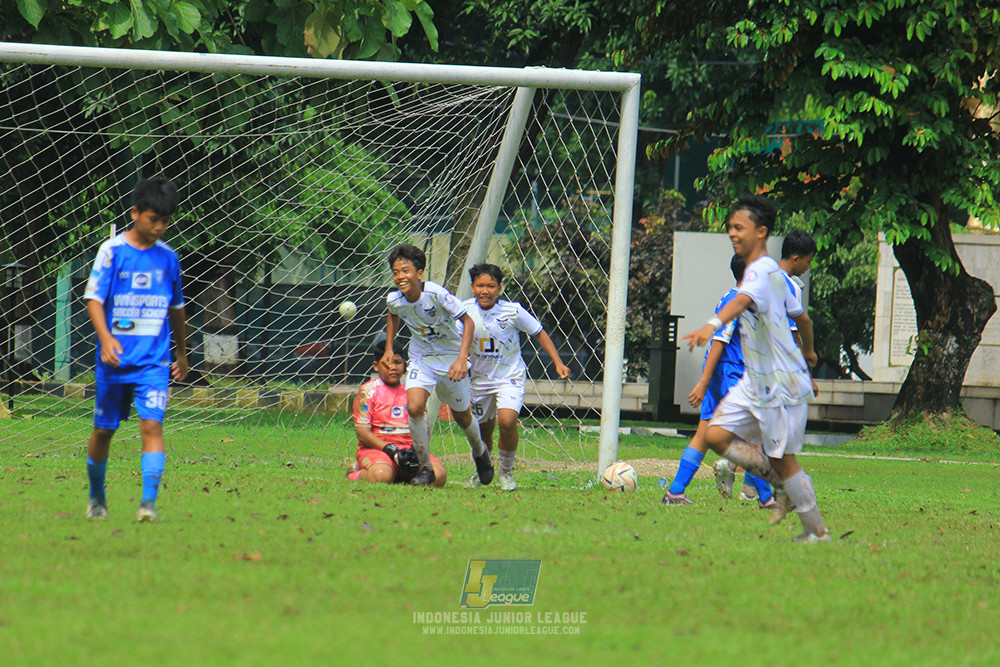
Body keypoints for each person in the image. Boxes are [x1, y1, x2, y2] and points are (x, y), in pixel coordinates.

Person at [681, 195, 831, 543]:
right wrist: (809, 350)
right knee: (716, 435)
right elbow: (802, 318)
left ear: (761, 232)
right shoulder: (772, 275)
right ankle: (783, 489)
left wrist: (711, 325)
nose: (732, 233)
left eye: (739, 227)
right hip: (755, 379)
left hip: (779, 379)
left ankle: (816, 530)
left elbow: (743, 301)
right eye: (731, 227)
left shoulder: (763, 273)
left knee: (782, 459)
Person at [82, 178, 188, 522]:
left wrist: (182, 353)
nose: (159, 227)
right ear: (135, 213)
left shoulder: (169, 259)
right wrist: (107, 339)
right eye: (153, 219)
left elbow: (176, 308)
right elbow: (94, 299)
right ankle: (97, 496)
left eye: (165, 221)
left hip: (153, 363)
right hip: (114, 362)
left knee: (152, 427)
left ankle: (147, 504)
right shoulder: (112, 252)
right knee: (103, 429)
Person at [662, 254, 774, 508]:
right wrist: (703, 383)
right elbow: (719, 342)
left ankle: (675, 492)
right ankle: (767, 499)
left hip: (723, 375)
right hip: (728, 376)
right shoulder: (736, 302)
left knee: (703, 434)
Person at [382, 244, 493, 487]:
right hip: (422, 358)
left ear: (419, 273)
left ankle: (480, 452)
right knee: (414, 407)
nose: (400, 276)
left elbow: (468, 322)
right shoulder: (394, 299)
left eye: (405, 270)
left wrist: (462, 359)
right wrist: (389, 347)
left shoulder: (435, 294)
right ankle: (425, 468)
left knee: (462, 417)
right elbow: (393, 313)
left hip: (452, 358)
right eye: (395, 272)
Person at [463, 264, 571, 491]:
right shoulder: (463, 312)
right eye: (480, 285)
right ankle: (483, 468)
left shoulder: (513, 311)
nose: (485, 291)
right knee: (483, 430)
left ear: (499, 288)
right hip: (479, 380)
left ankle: (506, 472)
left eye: (491, 286)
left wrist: (558, 362)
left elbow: (539, 331)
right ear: (472, 287)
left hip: (509, 376)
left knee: (507, 421)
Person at [348, 339, 447, 486]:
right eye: (386, 363)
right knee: (381, 476)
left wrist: (415, 451)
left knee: (438, 477)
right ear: (376, 366)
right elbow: (363, 433)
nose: (392, 367)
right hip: (379, 450)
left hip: (410, 452)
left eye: (397, 362)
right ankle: (354, 474)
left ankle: (403, 475)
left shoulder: (413, 391)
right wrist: (392, 451)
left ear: (405, 364)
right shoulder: (368, 391)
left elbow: (423, 426)